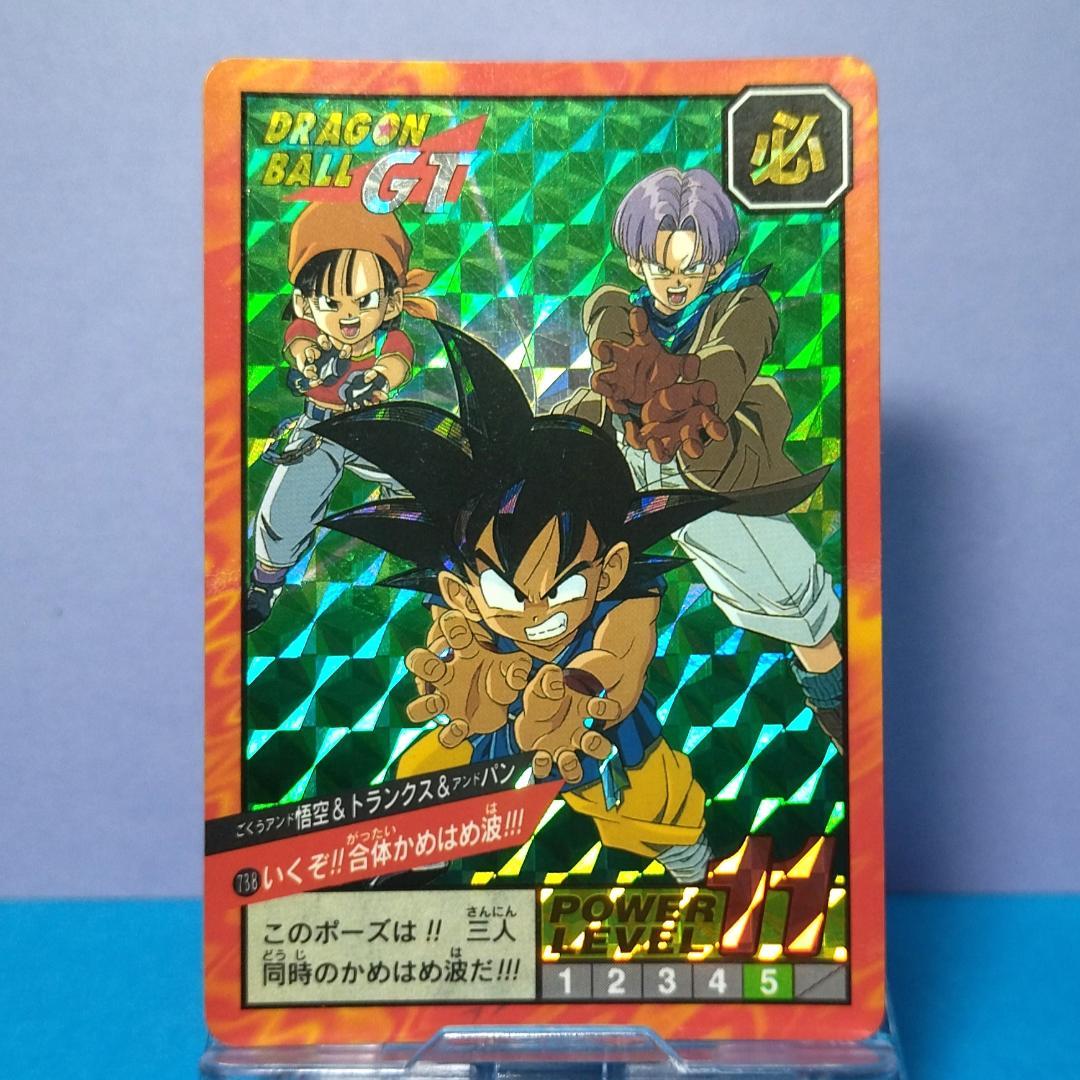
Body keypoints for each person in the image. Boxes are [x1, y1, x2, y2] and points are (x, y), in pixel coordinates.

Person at [315, 321, 827, 882]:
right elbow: (455, 653)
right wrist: (469, 683)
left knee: (657, 807)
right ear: (463, 588)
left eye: (562, 588)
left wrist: (582, 689)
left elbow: (621, 657)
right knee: (427, 778)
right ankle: (406, 870)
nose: (536, 611)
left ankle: (690, 864)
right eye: (506, 592)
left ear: (609, 571)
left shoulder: (625, 598)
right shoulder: (461, 603)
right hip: (494, 726)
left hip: (604, 734)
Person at [554, 167, 845, 751]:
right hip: (625, 458)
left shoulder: (745, 304)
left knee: (801, 610)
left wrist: (693, 390)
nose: (676, 283)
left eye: (692, 267)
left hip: (707, 467)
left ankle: (848, 729)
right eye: (662, 266)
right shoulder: (618, 307)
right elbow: (607, 330)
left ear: (715, 264)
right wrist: (628, 383)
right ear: (637, 261)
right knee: (549, 571)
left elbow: (732, 357)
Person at [245, 201, 438, 631]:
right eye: (331, 302)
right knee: (285, 508)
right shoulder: (308, 334)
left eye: (364, 301)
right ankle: (265, 583)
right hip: (320, 428)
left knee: (425, 490)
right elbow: (298, 344)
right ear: (304, 303)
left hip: (377, 429)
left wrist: (377, 377)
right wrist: (308, 360)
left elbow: (397, 362)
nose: (349, 315)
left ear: (392, 303)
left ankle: (439, 571)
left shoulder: (389, 340)